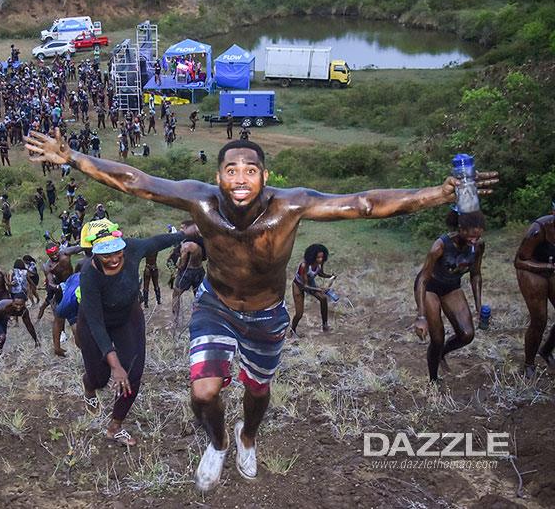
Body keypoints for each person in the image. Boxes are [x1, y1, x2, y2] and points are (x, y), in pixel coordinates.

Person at [25, 132, 498, 491]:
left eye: (250, 170)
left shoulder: (290, 206)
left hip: (267, 315)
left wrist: (439, 194)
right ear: (218, 177)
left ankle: (247, 436)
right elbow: (137, 182)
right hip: (215, 306)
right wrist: (73, 158)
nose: (240, 178)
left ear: (265, 177)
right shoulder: (200, 201)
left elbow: (365, 204)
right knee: (204, 392)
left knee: (257, 393)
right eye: (231, 170)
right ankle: (217, 443)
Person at [77, 222, 191, 446]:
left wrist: (184, 234)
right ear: (95, 254)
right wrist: (114, 365)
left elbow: (157, 242)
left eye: (117, 251)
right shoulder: (88, 275)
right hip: (95, 322)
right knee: (99, 378)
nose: (114, 259)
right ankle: (89, 386)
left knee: (133, 372)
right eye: (106, 255)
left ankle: (115, 427)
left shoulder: (132, 248)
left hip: (127, 316)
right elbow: (96, 324)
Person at [414, 210, 485, 383]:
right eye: (471, 236)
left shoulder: (478, 245)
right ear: (460, 229)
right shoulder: (440, 246)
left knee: (467, 334)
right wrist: (421, 317)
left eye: (478, 235)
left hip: (451, 287)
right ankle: (433, 379)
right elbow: (423, 278)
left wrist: (479, 307)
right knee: (437, 338)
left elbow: (475, 274)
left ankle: (441, 354)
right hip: (429, 287)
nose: (474, 240)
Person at [514, 199, 555, 378]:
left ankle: (546, 350)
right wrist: (544, 267)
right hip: (531, 268)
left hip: (551, 268)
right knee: (540, 319)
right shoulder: (538, 229)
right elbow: (519, 261)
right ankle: (529, 363)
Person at [291, 244, 336, 336]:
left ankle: (325, 325)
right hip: (298, 285)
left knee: (323, 299)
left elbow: (320, 273)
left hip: (309, 283)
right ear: (312, 257)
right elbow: (304, 286)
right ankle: (293, 330)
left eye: (322, 257)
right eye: (318, 257)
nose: (320, 260)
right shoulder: (304, 266)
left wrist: (330, 276)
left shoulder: (320, 263)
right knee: (299, 313)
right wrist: (319, 289)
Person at [171, 231, 205, 328]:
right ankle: (200, 319)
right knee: (199, 296)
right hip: (200, 270)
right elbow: (204, 258)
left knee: (176, 294)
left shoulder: (187, 246)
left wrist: (177, 267)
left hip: (187, 273)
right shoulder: (201, 243)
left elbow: (182, 264)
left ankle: (175, 320)